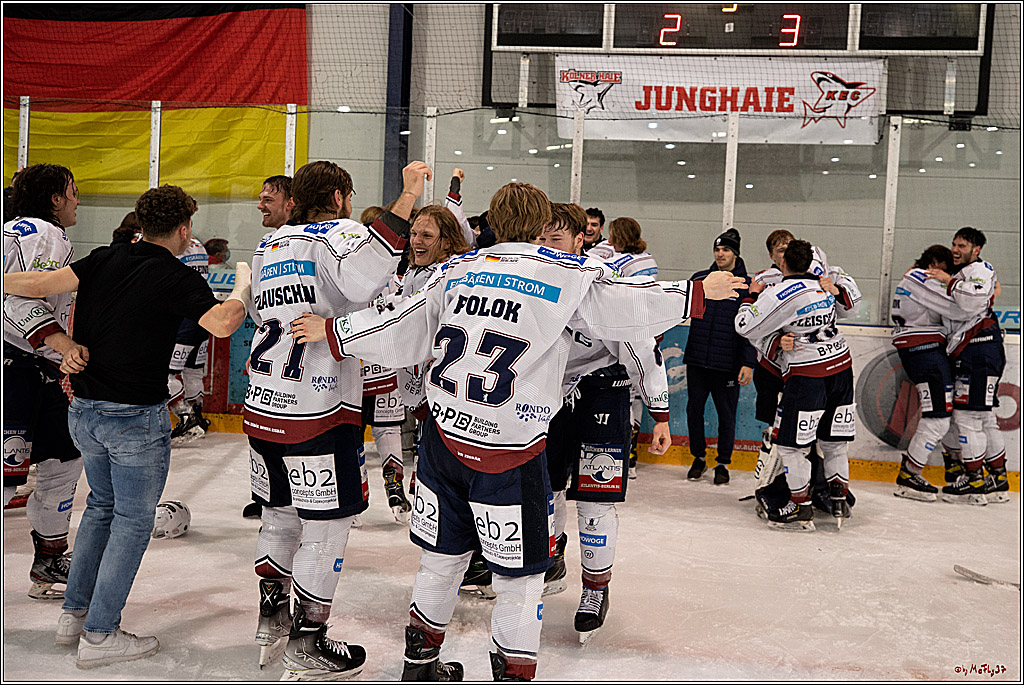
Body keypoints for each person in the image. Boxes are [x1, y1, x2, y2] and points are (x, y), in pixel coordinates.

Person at [290, 182, 743, 681]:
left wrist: (333, 333)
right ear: (541, 222)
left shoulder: (456, 270)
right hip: (508, 453)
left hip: (443, 442)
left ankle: (419, 667)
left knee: (440, 563)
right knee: (520, 579)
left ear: (494, 221)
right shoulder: (565, 273)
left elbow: (400, 328)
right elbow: (628, 308)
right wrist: (697, 293)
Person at [4, 183, 250, 668]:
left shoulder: (103, 257)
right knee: (133, 522)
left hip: (85, 412)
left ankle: (74, 615)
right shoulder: (176, 275)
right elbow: (223, 323)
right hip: (133, 418)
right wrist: (243, 285)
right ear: (184, 230)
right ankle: (100, 635)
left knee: (101, 509)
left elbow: (37, 284)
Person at [243, 160, 429, 678]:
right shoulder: (339, 233)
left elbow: (262, 315)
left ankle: (271, 619)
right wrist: (407, 195)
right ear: (340, 196)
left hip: (264, 404)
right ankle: (308, 640)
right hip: (317, 411)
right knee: (326, 527)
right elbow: (368, 273)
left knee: (279, 516)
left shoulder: (270, 245)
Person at [536, 203, 672, 643]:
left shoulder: (605, 283)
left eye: (556, 239)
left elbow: (641, 346)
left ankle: (595, 589)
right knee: (545, 488)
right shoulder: (530, 279)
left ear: (581, 240)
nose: (546, 247)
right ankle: (551, 556)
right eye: (541, 238)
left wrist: (659, 413)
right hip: (547, 398)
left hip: (603, 396)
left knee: (594, 501)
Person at [3, 163, 84, 600]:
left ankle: (50, 557)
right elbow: (19, 297)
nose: (77, 200)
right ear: (55, 199)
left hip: (35, 368)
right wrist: (61, 345)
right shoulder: (45, 233)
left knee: (65, 458)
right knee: (11, 474)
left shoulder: (15, 230)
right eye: (72, 191)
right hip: (18, 366)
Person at [736, 240, 856, 532]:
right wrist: (837, 290)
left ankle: (800, 506)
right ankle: (838, 500)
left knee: (790, 446)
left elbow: (744, 325)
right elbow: (851, 306)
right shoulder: (824, 282)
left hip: (807, 374)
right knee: (834, 442)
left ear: (783, 262)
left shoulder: (778, 291)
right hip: (841, 366)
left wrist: (751, 296)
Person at [927, 227, 1007, 505]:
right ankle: (997, 479)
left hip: (978, 351)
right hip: (979, 351)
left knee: (968, 419)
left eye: (962, 245)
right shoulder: (968, 271)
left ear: (977, 249)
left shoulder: (980, 270)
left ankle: (975, 482)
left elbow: (971, 302)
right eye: (954, 244)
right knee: (984, 419)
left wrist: (948, 281)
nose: (955, 249)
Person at [890, 245, 968, 501]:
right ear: (934, 263)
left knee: (945, 412)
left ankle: (953, 467)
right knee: (938, 418)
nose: (946, 276)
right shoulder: (921, 277)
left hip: (924, 351)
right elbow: (959, 309)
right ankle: (909, 475)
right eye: (946, 270)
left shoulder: (912, 276)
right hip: (924, 351)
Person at [684, 228, 755, 485]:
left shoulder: (746, 285)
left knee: (726, 414)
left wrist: (748, 362)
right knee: (694, 410)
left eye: (725, 249)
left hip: (727, 364)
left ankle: (723, 462)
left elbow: (750, 328)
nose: (720, 254)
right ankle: (698, 458)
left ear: (735, 253)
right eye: (717, 249)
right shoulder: (700, 279)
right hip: (698, 359)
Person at [243, 175, 294, 521]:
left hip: (296, 361)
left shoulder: (296, 242)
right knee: (266, 432)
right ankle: (268, 496)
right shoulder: (266, 242)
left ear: (291, 203)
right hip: (273, 355)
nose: (260, 205)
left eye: (268, 200)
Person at [602, 216, 660, 478]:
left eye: (612, 235)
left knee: (623, 397)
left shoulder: (617, 263)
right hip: (647, 331)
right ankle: (631, 457)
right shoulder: (649, 259)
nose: (609, 240)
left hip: (623, 335)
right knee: (636, 396)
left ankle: (622, 454)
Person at [167, 229, 214, 446]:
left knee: (166, 374)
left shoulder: (173, 245)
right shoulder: (199, 245)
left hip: (183, 318)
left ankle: (187, 419)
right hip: (203, 317)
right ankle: (198, 417)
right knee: (193, 371)